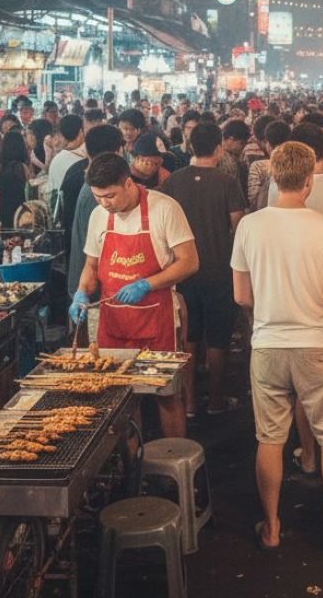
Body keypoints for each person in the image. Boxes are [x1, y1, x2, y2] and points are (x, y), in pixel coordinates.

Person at [231, 141, 323, 553]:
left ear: (273, 177)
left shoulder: (250, 227)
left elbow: (241, 295)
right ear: (309, 181)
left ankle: (271, 527)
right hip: (318, 345)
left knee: (270, 439)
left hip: (268, 345)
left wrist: (265, 318)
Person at [71, 153, 199, 437]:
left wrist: (147, 284)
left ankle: (172, 456)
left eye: (110, 196)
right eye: (98, 196)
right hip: (114, 324)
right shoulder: (98, 216)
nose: (104, 203)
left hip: (157, 320)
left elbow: (189, 262)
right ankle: (131, 467)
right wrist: (81, 292)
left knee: (166, 395)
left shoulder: (164, 208)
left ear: (128, 183)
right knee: (121, 399)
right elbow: (91, 265)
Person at [163, 122, 246, 417]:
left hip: (182, 271)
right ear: (219, 148)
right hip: (219, 271)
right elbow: (239, 227)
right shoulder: (227, 182)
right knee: (219, 337)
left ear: (189, 146)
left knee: (188, 335)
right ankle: (214, 401)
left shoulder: (172, 182)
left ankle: (188, 403)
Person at [65, 124, 125, 298]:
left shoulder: (92, 184)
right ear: (115, 154)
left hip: (87, 284)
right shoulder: (98, 192)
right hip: (91, 290)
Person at [246, 119, 293, 211]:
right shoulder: (297, 164)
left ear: (268, 144)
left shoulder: (258, 167)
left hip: (265, 217)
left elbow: (254, 200)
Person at [0, 131, 30, 231]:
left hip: (4, 211)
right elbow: (29, 192)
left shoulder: (0, 168)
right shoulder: (23, 167)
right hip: (21, 212)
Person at [48, 114, 86, 212]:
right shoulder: (86, 158)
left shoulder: (57, 160)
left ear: (61, 134)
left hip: (61, 213)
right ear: (81, 132)